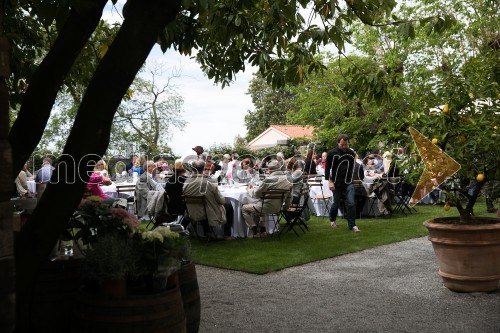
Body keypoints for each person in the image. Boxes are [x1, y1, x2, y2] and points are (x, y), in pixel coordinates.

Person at [183, 160, 233, 240]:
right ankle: (227, 234)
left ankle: (207, 232)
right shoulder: (209, 182)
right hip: (208, 212)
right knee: (228, 205)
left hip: (191, 212)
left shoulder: (186, 182)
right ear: (203, 169)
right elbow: (221, 201)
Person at [242, 160, 292, 238]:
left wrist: (249, 190)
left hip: (265, 207)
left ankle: (254, 229)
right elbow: (289, 197)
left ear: (269, 170)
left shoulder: (268, 180)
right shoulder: (288, 180)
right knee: (262, 203)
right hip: (278, 207)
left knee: (244, 208)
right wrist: (285, 208)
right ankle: (263, 229)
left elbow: (256, 194)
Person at [325, 134, 361, 232]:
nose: (344, 147)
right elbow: (328, 168)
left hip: (348, 182)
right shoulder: (332, 153)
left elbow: (351, 167)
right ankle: (332, 220)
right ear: (338, 143)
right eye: (342, 145)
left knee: (351, 203)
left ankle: (352, 225)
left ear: (348, 143)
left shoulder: (351, 153)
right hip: (336, 182)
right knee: (336, 203)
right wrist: (330, 181)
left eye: (346, 144)